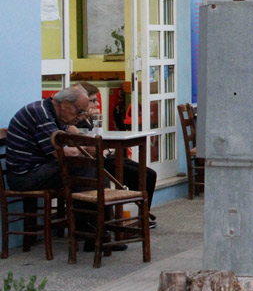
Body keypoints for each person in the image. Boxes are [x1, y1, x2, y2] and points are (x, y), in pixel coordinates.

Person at [5, 86, 122, 251]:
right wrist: (88, 149)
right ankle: (93, 233)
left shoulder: (54, 113)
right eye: (79, 111)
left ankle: (97, 231)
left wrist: (86, 146)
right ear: (65, 104)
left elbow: (70, 135)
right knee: (85, 165)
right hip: (25, 176)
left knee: (94, 165)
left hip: (42, 168)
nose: (80, 116)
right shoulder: (39, 113)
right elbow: (62, 152)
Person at [76, 82, 158, 226]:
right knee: (141, 176)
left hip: (106, 156)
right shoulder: (75, 120)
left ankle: (142, 215)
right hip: (96, 160)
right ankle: (139, 217)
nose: (96, 104)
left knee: (149, 174)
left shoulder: (89, 118)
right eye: (92, 101)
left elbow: (98, 137)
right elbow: (89, 144)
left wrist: (94, 121)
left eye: (97, 100)